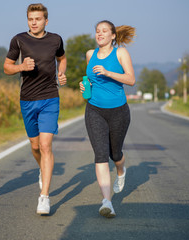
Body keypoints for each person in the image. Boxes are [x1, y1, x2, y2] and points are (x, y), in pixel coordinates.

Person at [4, 3, 67, 215]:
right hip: (27, 99)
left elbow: (62, 58)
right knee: (35, 146)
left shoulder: (55, 39)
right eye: (31, 19)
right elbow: (7, 67)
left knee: (46, 145)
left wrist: (61, 73)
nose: (34, 22)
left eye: (38, 19)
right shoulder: (19, 40)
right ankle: (42, 169)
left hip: (50, 97)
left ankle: (44, 197)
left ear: (46, 21)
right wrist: (21, 67)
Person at [80, 20, 136, 218]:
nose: (100, 34)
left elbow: (131, 79)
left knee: (115, 153)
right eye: (97, 31)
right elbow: (91, 81)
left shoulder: (120, 53)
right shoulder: (90, 54)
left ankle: (121, 171)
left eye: (104, 31)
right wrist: (84, 87)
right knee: (101, 154)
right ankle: (107, 202)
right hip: (94, 109)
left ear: (113, 36)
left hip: (119, 111)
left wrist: (108, 72)